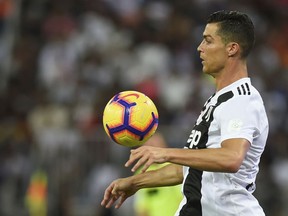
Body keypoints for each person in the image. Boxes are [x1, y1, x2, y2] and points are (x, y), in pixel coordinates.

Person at [101, 10, 269, 216]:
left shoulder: (241, 100)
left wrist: (165, 153)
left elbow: (231, 158)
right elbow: (190, 169)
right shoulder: (217, 101)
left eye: (208, 41)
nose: (200, 48)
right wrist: (135, 183)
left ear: (231, 49)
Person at [133, 133, 182, 216]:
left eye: (154, 145)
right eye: (148, 145)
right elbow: (142, 207)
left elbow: (183, 198)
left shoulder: (175, 168)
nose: (151, 150)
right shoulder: (141, 173)